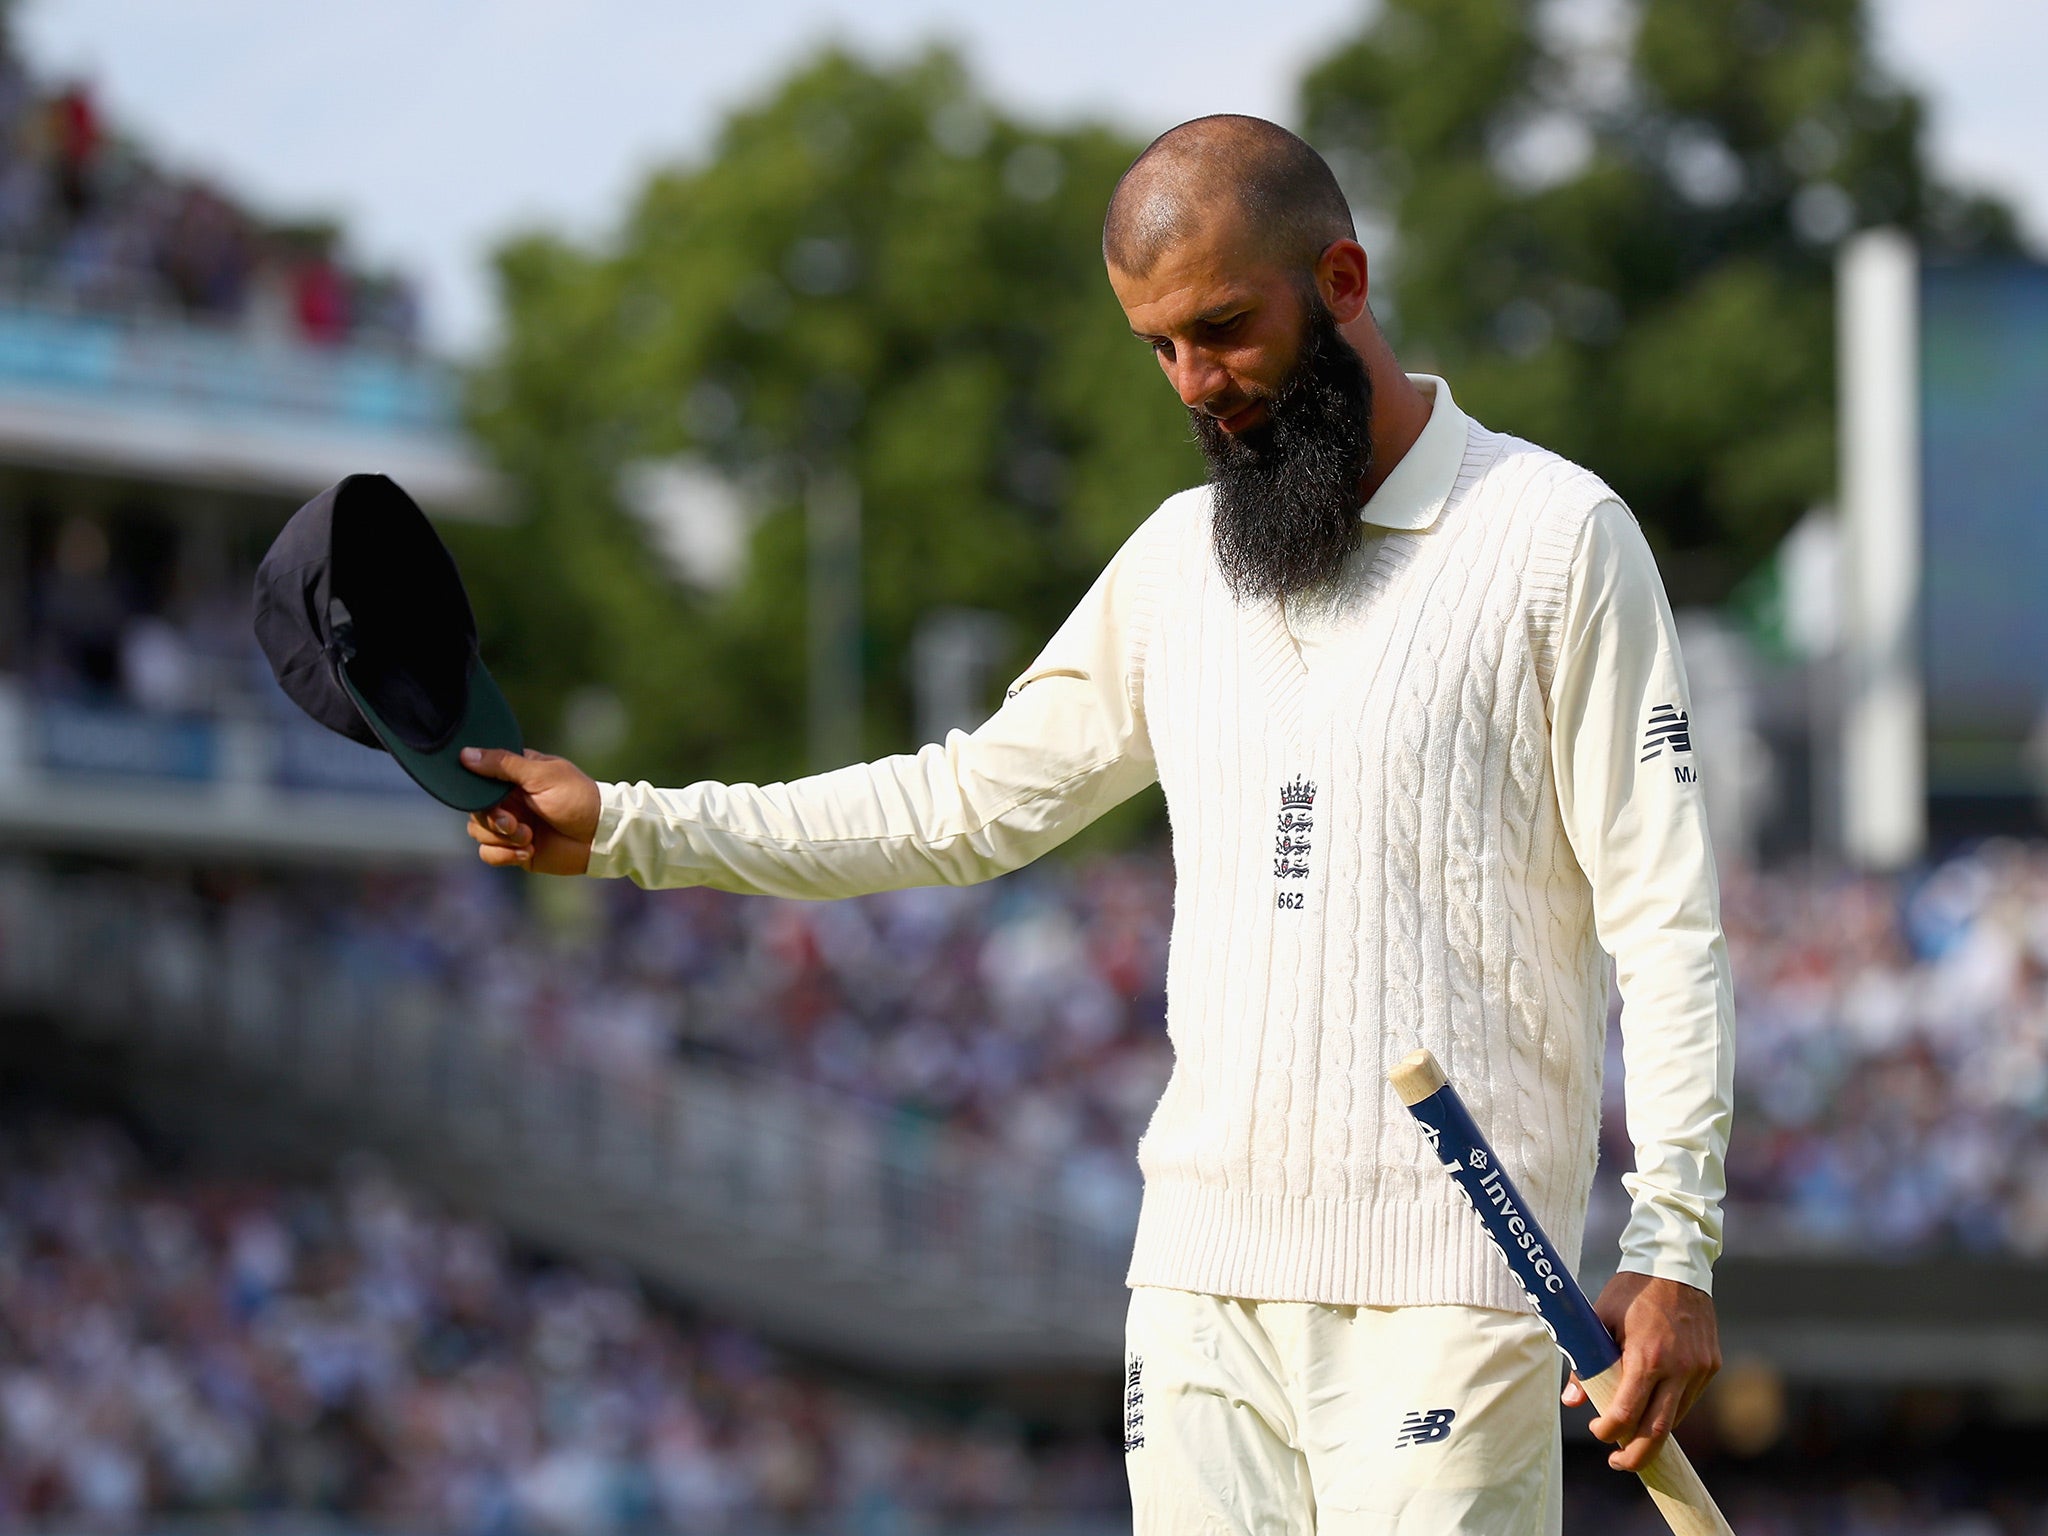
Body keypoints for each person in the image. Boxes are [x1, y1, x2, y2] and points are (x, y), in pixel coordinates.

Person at [462, 115, 1733, 1536]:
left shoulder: (1559, 537)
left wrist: (1673, 1244)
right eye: (1160, 349)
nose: (1200, 385)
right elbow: (956, 805)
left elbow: (1664, 914)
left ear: (1345, 280)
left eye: (1226, 329)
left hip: (1455, 1288)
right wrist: (626, 824)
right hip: (1193, 1293)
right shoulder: (1176, 566)